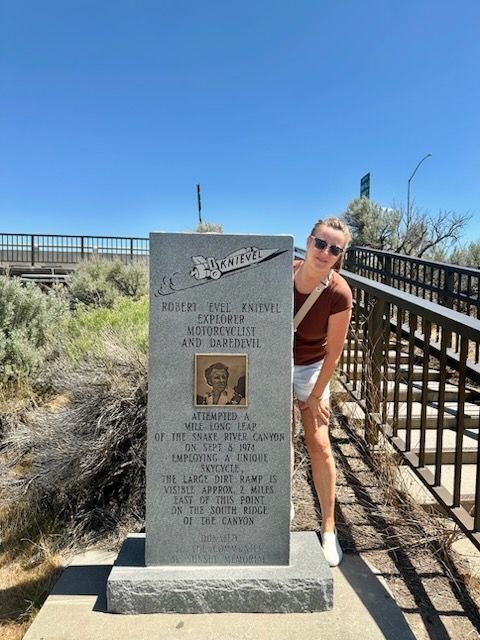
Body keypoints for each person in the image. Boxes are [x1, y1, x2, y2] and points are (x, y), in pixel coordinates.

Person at [293, 217, 352, 567]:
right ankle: (278, 506)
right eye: (321, 243)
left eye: (334, 248)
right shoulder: (283, 273)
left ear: (339, 255)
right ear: (309, 240)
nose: (325, 252)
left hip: (311, 365)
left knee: (318, 441)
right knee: (275, 435)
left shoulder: (339, 292)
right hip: (274, 358)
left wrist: (314, 396)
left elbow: (333, 352)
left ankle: (328, 527)